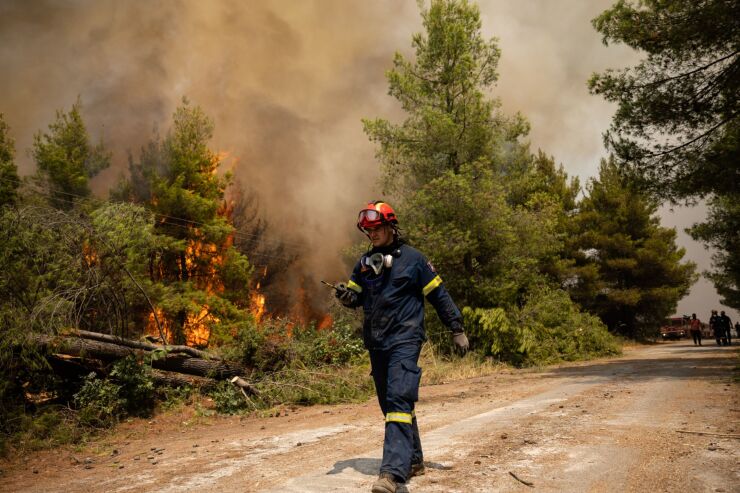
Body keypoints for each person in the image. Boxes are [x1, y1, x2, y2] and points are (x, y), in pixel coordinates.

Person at [335, 201, 469, 493]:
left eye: (376, 228)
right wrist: (346, 297)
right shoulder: (363, 264)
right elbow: (355, 296)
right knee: (393, 405)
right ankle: (414, 459)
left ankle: (392, 474)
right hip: (376, 341)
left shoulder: (415, 260)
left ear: (391, 227)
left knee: (398, 398)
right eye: (367, 230)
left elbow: (439, 295)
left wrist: (456, 327)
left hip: (405, 338)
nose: (372, 234)